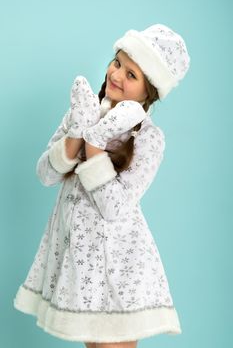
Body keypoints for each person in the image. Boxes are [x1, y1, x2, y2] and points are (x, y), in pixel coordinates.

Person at [13, 23, 190, 348]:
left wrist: (94, 145)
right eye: (117, 61)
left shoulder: (148, 138)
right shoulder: (85, 112)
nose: (116, 74)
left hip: (118, 262)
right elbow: (45, 174)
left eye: (131, 74)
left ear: (148, 91)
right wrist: (77, 134)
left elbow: (113, 207)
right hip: (81, 258)